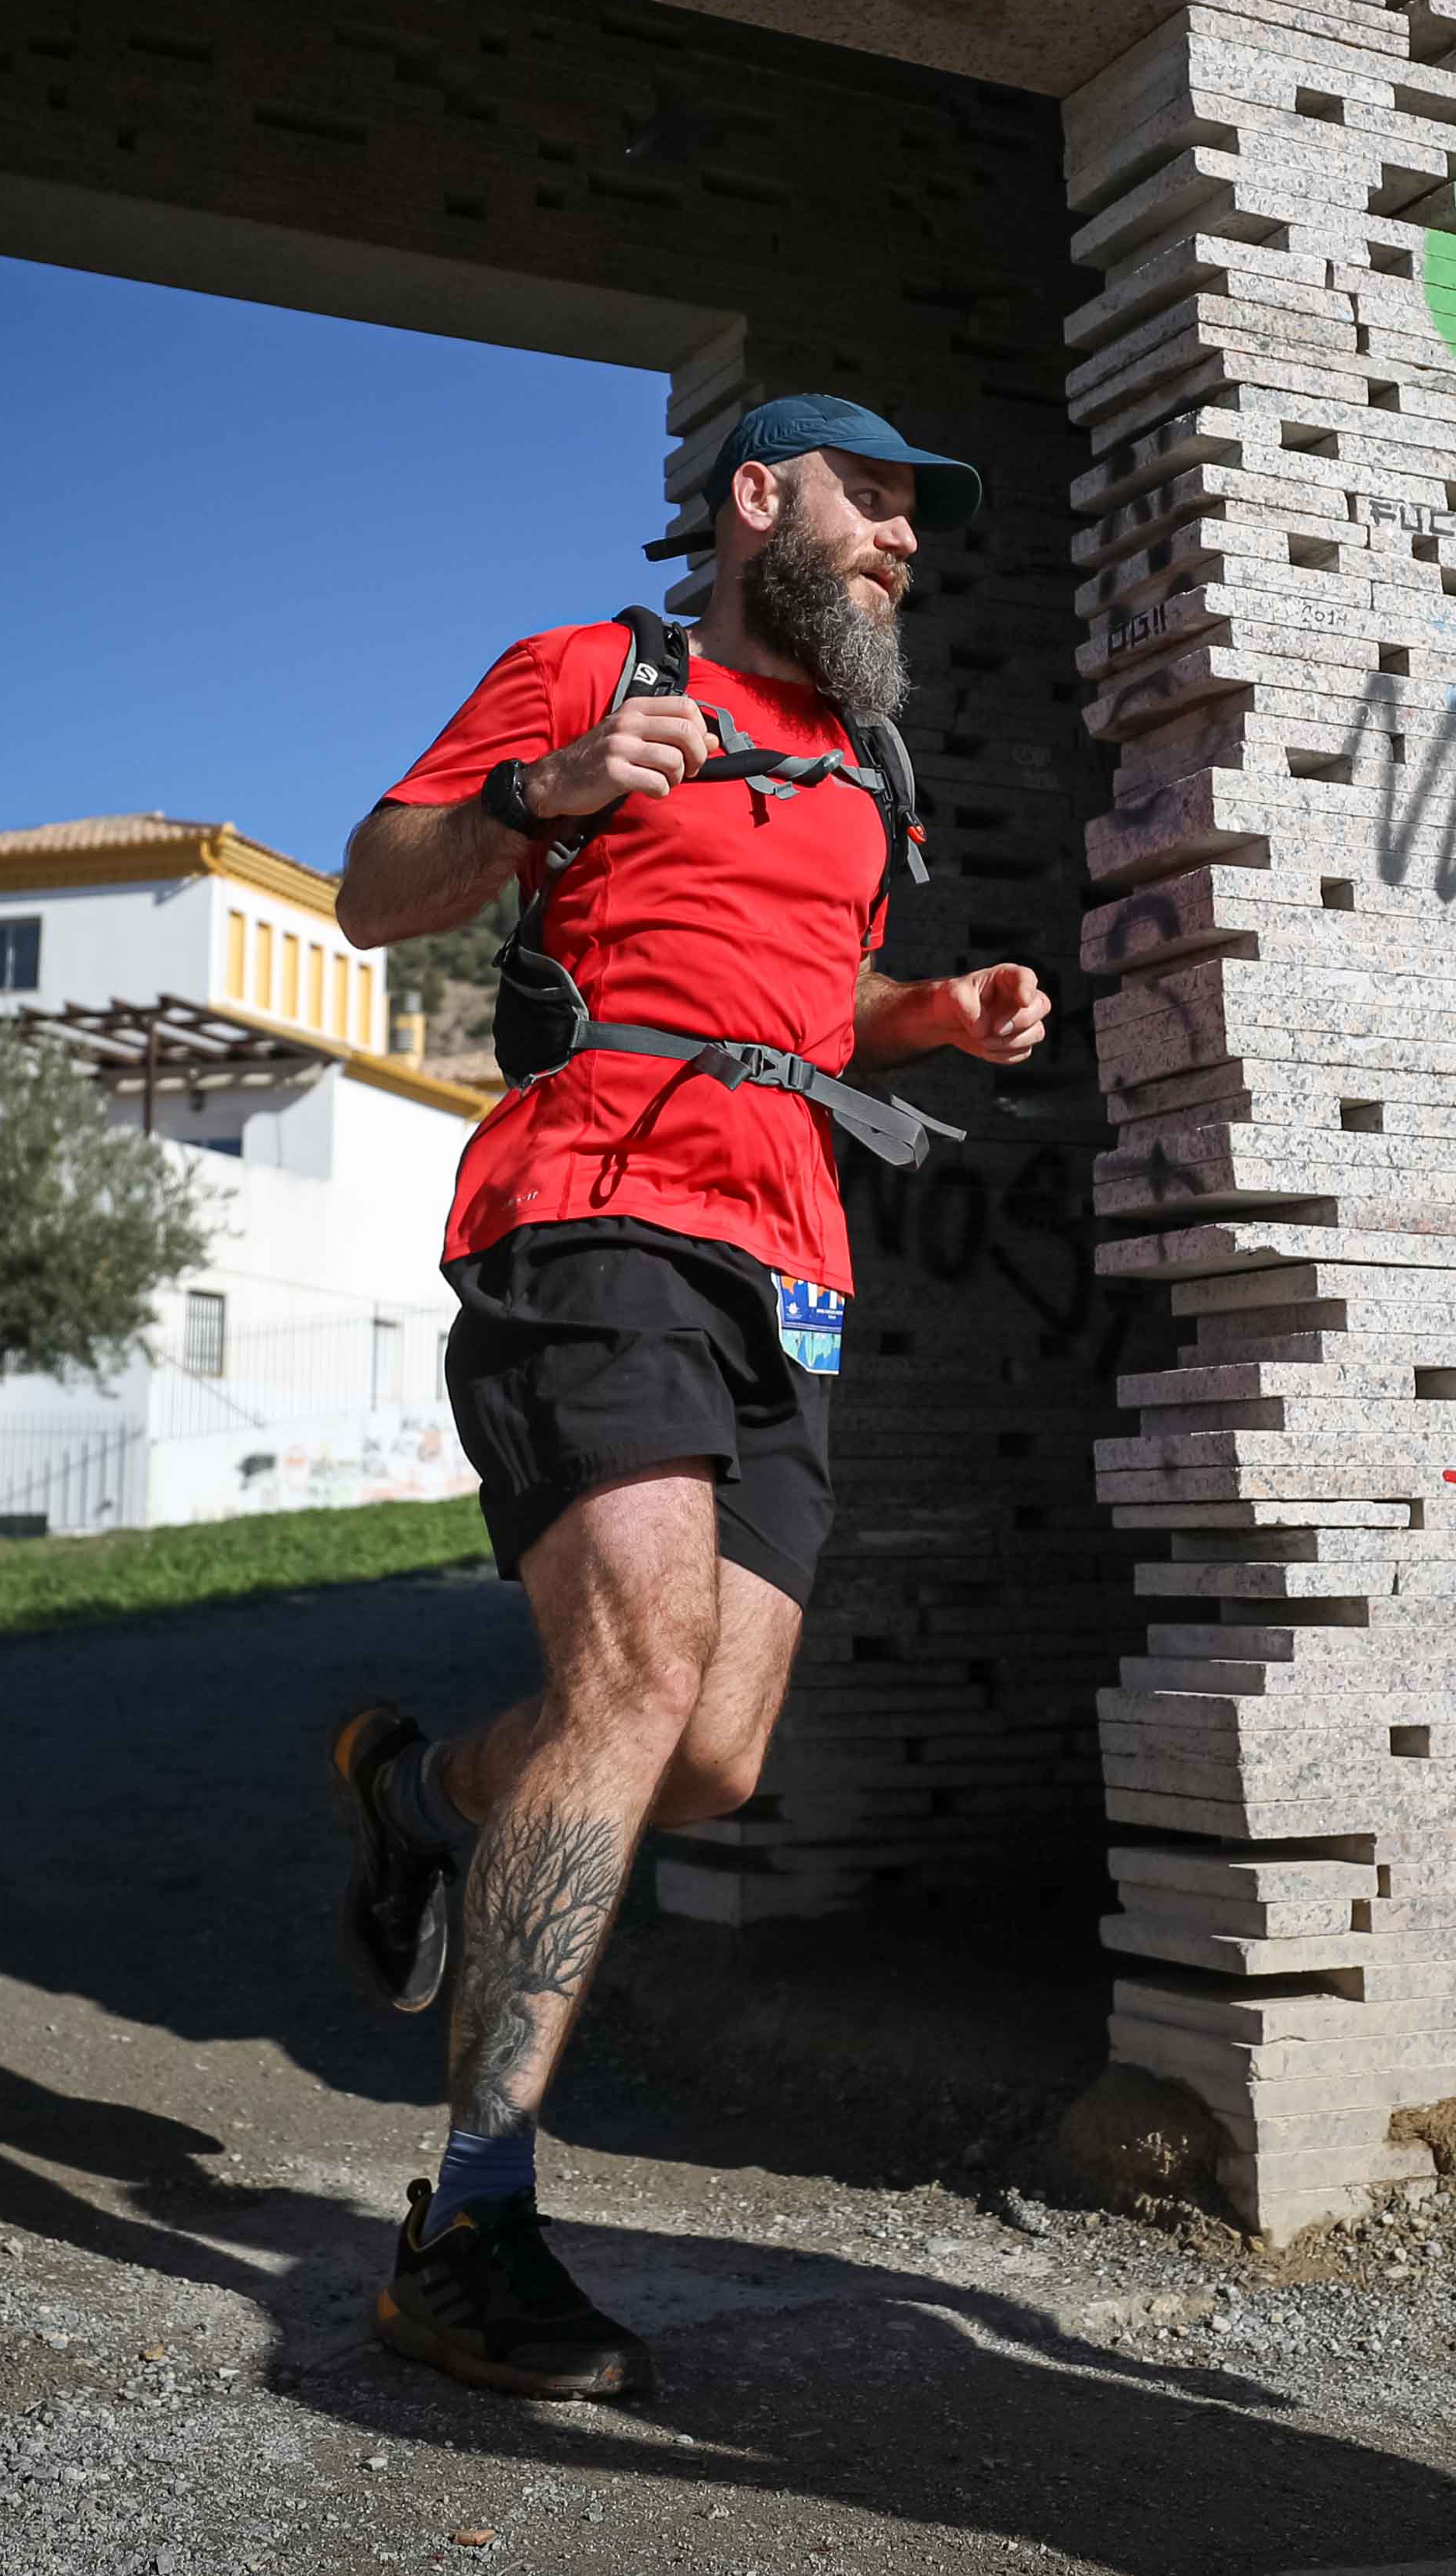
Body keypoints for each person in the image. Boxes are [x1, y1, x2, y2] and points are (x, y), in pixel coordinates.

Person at [326, 395, 1050, 2401]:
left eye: (919, 510)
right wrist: (542, 796)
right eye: (876, 496)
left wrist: (939, 1016)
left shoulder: (858, 762)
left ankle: (423, 1795)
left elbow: (811, 1012)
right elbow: (375, 890)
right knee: (633, 1682)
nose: (902, 535)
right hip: (591, 1203)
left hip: (793, 1247)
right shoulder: (592, 671)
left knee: (709, 1757)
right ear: (759, 498)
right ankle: (469, 2218)